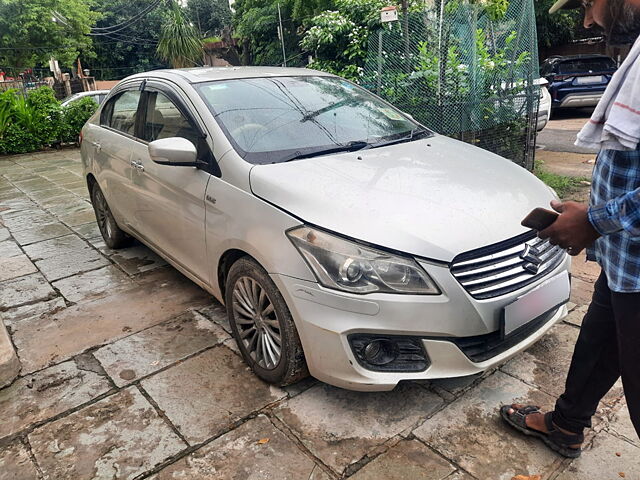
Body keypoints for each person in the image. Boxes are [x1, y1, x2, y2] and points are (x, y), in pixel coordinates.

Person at [500, 0, 640, 458]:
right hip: (625, 260)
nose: (586, 21)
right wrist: (596, 213)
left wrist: (596, 221)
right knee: (600, 340)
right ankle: (566, 426)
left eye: (587, 3)